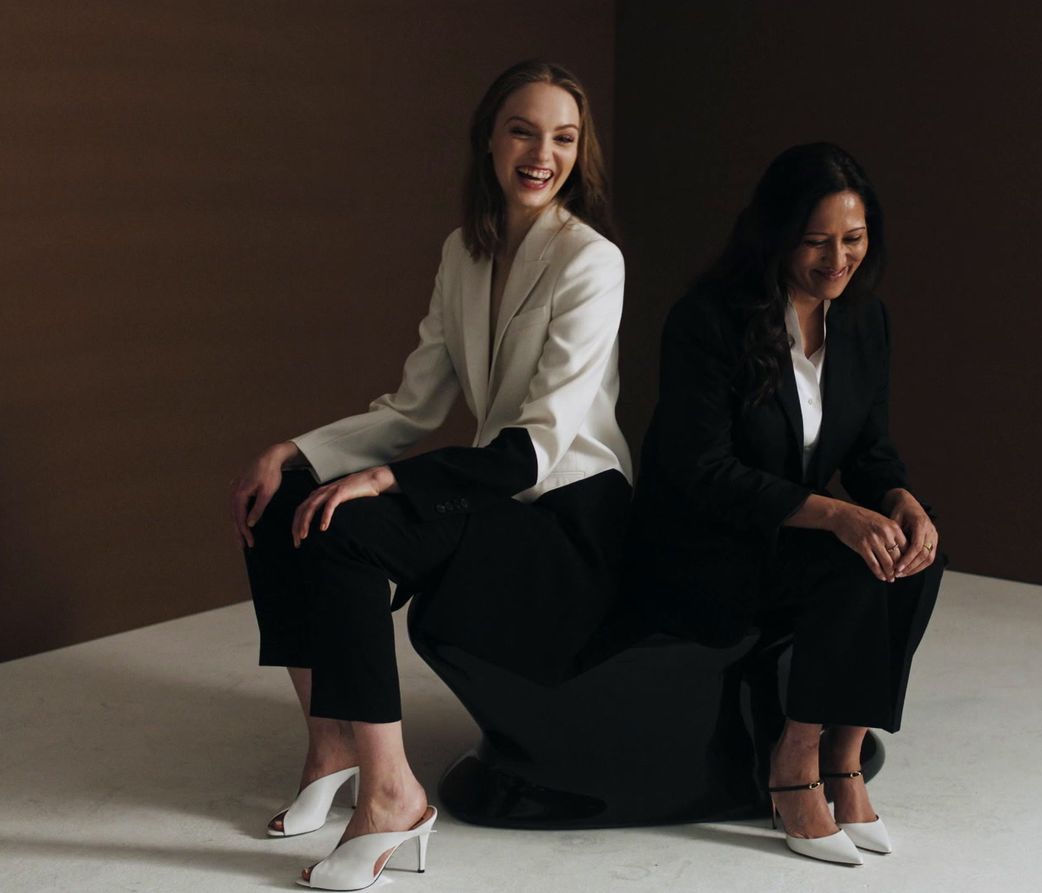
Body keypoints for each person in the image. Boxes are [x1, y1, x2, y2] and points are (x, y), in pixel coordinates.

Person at [229, 60, 630, 890]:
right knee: (280, 506)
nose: (541, 153)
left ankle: (392, 797)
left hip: (567, 509)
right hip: (495, 484)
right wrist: (295, 452)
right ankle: (331, 744)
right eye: (523, 130)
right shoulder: (464, 253)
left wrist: (388, 483)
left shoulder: (591, 262)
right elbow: (412, 407)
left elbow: (536, 448)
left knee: (348, 532)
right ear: (489, 137)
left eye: (563, 137)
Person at [630, 143, 943, 865]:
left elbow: (868, 449)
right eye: (817, 241)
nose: (839, 260)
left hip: (778, 530)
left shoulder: (864, 320)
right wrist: (833, 513)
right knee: (849, 566)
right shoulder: (706, 319)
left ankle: (846, 747)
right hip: (698, 543)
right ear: (774, 235)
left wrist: (901, 501)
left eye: (855, 239)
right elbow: (700, 471)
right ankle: (793, 758)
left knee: (919, 557)